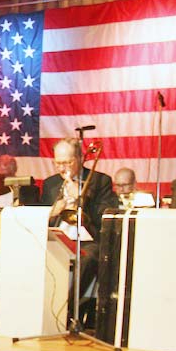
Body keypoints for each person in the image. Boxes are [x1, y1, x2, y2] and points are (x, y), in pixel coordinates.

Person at [42, 138, 119, 326]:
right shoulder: (50, 183)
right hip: (57, 236)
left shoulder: (100, 181)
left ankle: (67, 310)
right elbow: (41, 215)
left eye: (67, 162)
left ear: (79, 158)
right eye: (58, 163)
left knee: (89, 257)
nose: (62, 168)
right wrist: (53, 210)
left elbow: (106, 216)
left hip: (87, 239)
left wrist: (82, 198)